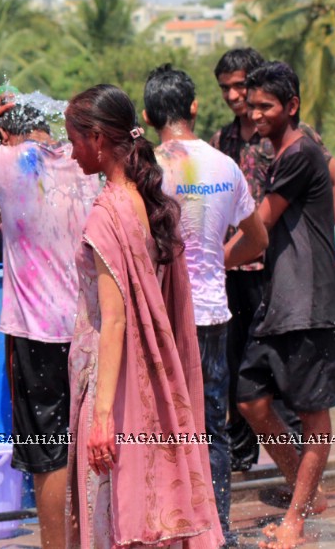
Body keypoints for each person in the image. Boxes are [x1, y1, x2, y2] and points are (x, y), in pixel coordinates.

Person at [64, 85, 223, 549]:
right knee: (150, 509)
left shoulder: (105, 214)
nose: (71, 153)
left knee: (111, 519)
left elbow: (112, 322)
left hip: (112, 385)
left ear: (96, 139)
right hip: (151, 381)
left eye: (74, 140)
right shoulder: (148, 201)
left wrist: (102, 418)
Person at [0, 92, 99, 549]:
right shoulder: (82, 160)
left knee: (49, 454)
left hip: (38, 333)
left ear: (4, 134)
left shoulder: (5, 160)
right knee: (91, 444)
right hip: (92, 327)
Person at [210, 48, 335, 474]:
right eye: (233, 93)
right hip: (261, 277)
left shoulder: (298, 146)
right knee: (248, 389)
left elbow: (268, 222)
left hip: (288, 282)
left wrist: (310, 239)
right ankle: (285, 478)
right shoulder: (226, 139)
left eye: (253, 97)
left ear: (289, 106)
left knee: (303, 402)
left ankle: (301, 500)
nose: (246, 105)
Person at [144, 64, 269, 543]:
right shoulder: (225, 165)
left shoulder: (148, 169)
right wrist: (217, 258)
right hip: (213, 314)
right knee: (212, 427)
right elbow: (256, 239)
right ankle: (218, 531)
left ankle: (172, 527)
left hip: (166, 316)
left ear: (150, 114)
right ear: (194, 108)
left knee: (163, 428)